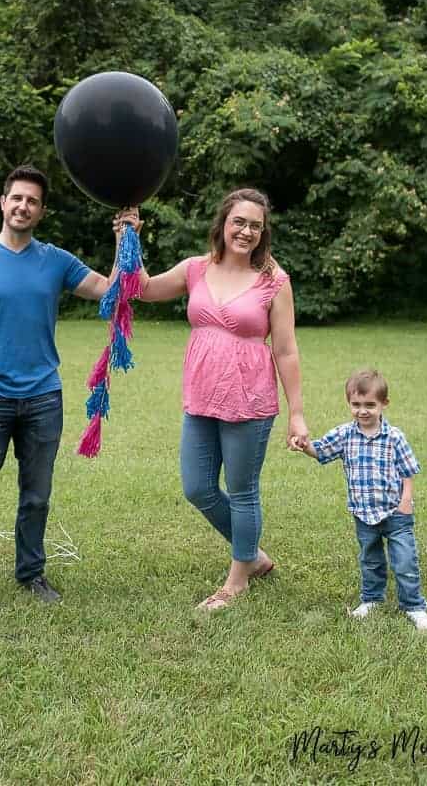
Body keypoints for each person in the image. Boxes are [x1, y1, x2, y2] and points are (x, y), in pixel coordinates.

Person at [0, 164, 131, 623]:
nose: (23, 206)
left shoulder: (55, 261)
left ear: (41, 211)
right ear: (3, 203)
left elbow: (111, 291)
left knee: (36, 496)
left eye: (33, 201)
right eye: (16, 197)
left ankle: (31, 572)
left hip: (43, 397)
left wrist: (124, 238)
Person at [119, 188, 308, 611]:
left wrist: (297, 414)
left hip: (249, 399)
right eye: (239, 222)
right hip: (202, 396)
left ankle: (238, 578)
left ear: (264, 233)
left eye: (256, 226)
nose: (246, 231)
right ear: (223, 223)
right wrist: (127, 239)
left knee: (242, 492)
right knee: (198, 487)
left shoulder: (274, 281)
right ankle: (253, 553)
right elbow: (142, 289)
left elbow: (286, 349)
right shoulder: (196, 269)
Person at [290, 368, 427, 631]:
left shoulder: (394, 437)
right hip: (363, 513)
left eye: (370, 405)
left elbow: (408, 471)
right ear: (349, 404)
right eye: (356, 405)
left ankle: (414, 606)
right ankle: (371, 599)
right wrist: (304, 446)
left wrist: (406, 501)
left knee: (404, 561)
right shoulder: (345, 435)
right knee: (370, 559)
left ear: (384, 404)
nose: (363, 411)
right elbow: (321, 450)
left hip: (396, 512)